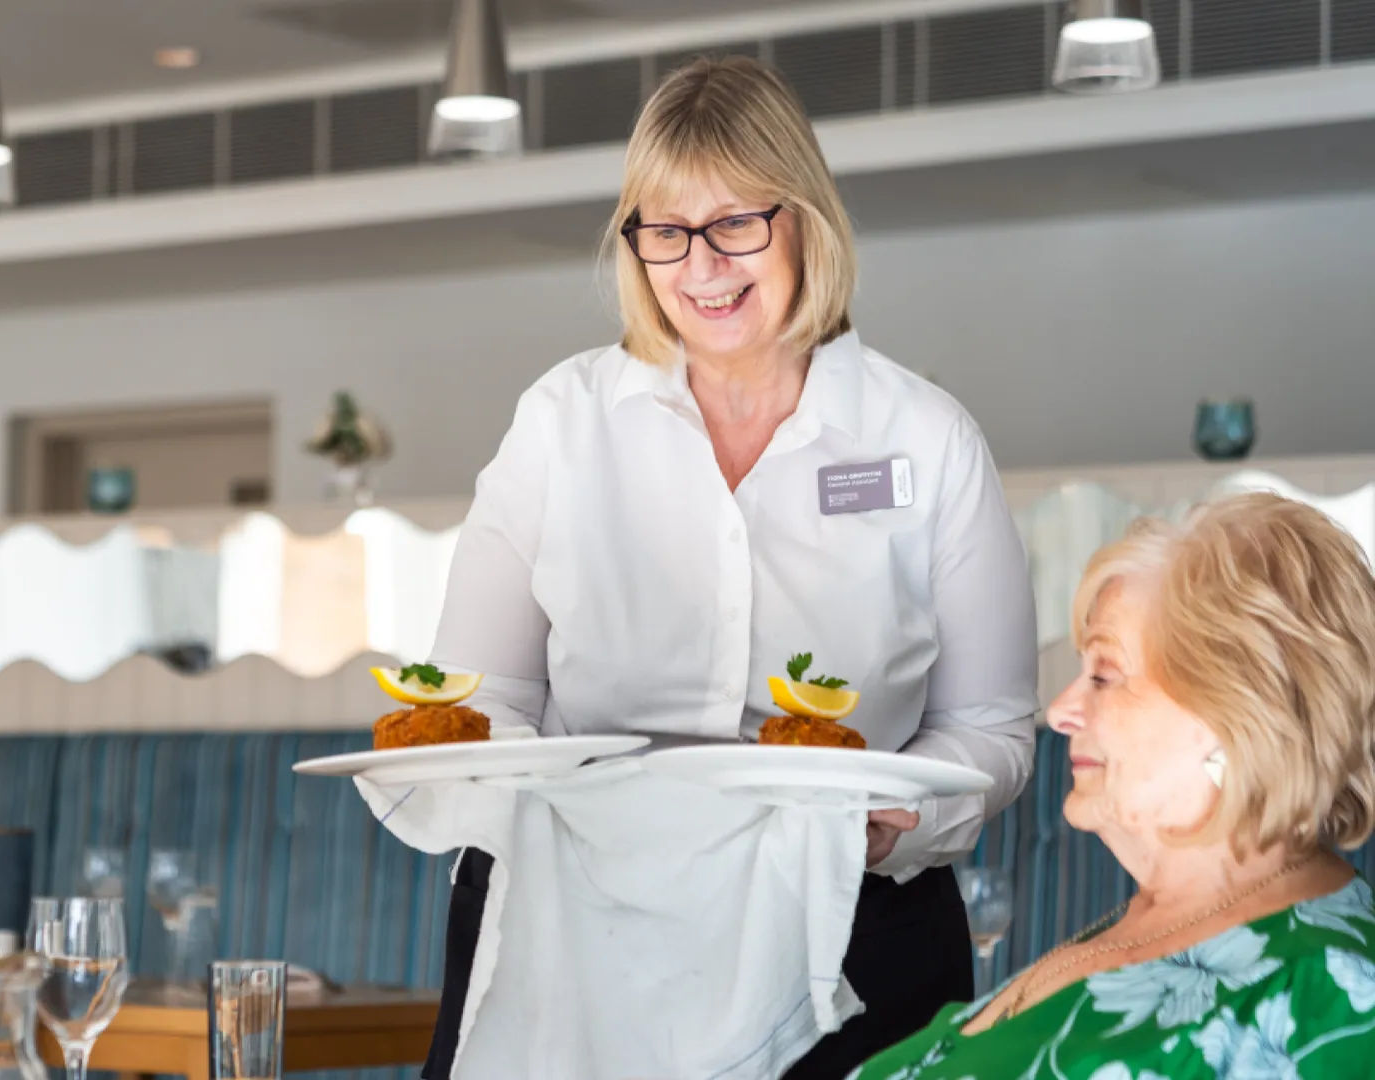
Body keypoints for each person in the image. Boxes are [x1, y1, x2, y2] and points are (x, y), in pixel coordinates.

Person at [421, 55, 1038, 1079]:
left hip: (846, 928)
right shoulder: (562, 424)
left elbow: (991, 728)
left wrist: (903, 824)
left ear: (803, 219)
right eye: (666, 231)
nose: (700, 267)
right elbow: (484, 700)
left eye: (735, 224)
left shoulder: (924, 440)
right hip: (583, 934)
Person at [854, 492, 1375, 1079]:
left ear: (1238, 711)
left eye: (1104, 674)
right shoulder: (1160, 915)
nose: (1062, 709)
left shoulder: (1333, 994)